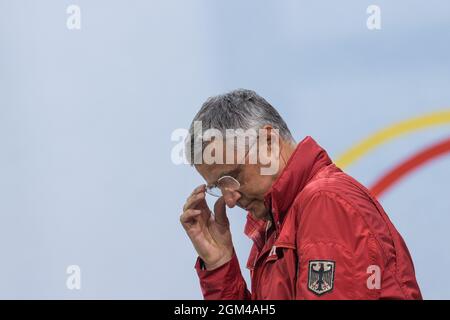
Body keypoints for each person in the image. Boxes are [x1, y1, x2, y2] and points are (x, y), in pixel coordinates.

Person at [180, 89, 422, 299]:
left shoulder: (325, 203)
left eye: (233, 177)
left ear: (268, 143)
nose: (230, 200)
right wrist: (219, 264)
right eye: (218, 188)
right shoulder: (279, 221)